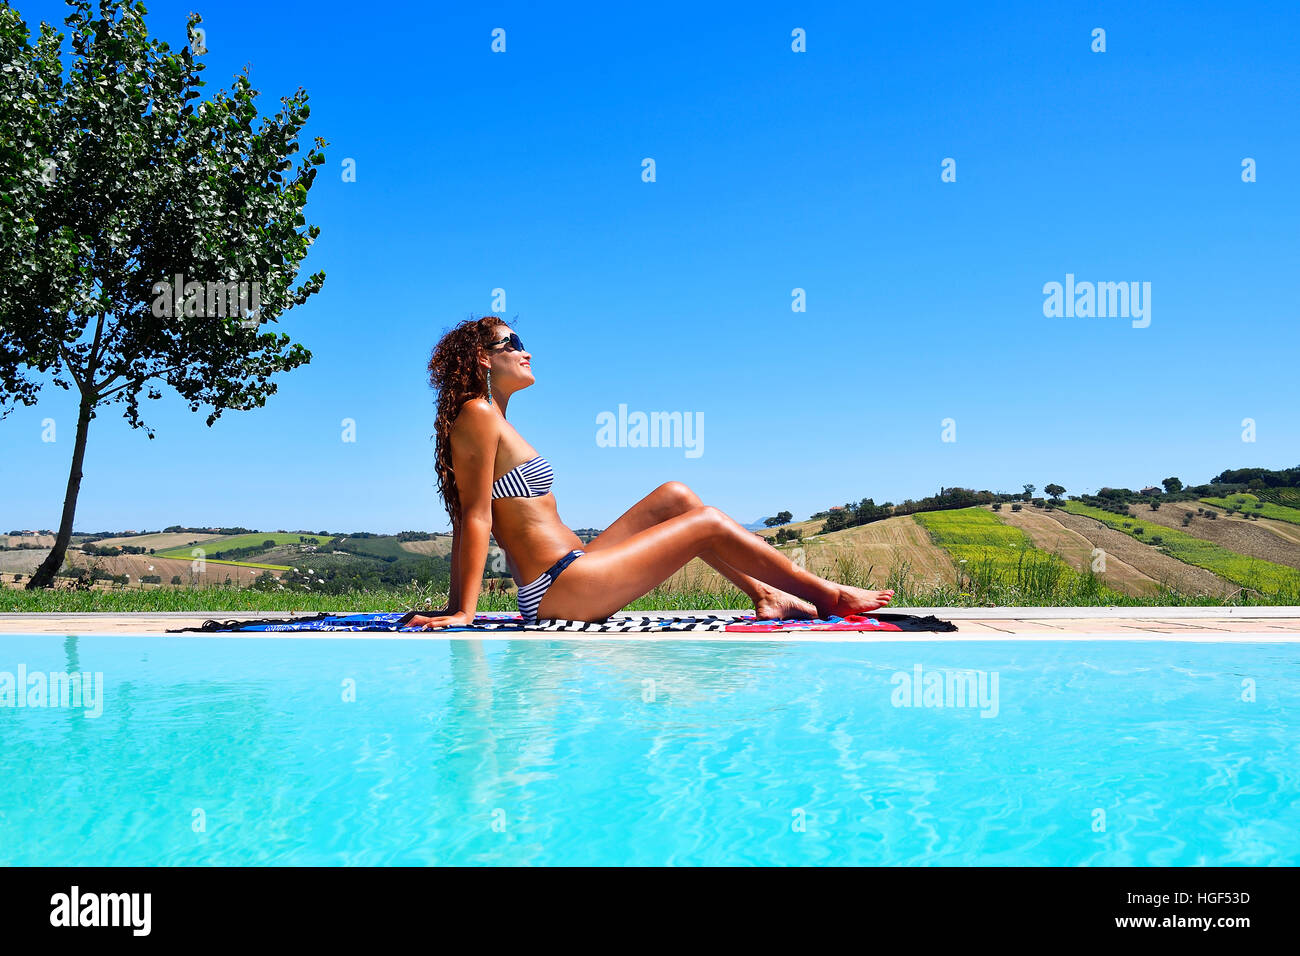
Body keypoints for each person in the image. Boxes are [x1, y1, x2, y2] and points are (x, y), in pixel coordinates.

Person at [404, 316, 894, 630]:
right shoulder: (477, 414)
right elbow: (474, 518)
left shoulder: (496, 419)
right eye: (512, 342)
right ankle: (828, 596)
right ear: (482, 359)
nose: (525, 349)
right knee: (708, 524)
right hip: (559, 586)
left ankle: (769, 595)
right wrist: (461, 612)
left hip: (576, 566)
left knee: (677, 496)